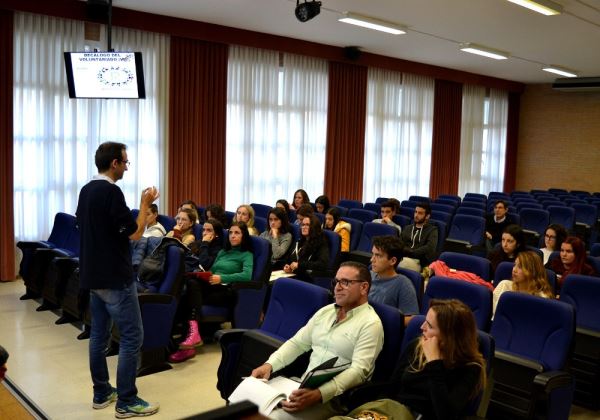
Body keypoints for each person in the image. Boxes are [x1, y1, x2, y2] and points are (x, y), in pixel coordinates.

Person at [76, 141, 160, 417]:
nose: (126, 166)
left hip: (92, 276)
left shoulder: (86, 190)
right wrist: (145, 203)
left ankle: (101, 392)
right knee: (132, 337)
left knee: (98, 336)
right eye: (125, 162)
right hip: (115, 278)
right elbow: (135, 234)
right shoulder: (112, 193)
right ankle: (126, 400)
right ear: (114, 163)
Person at [252, 262, 384, 420]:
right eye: (336, 282)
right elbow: (297, 343)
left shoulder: (371, 324)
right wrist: (270, 364)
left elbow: (358, 372)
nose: (338, 287)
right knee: (247, 406)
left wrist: (319, 394)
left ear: (363, 288)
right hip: (302, 386)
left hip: (333, 399)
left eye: (346, 282)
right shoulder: (326, 312)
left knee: (271, 417)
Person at [336, 299, 486, 420]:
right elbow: (392, 388)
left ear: (450, 336)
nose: (422, 327)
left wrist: (434, 363)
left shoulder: (470, 368)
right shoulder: (417, 346)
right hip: (391, 411)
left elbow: (445, 414)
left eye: (430, 325)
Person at [169, 221, 254, 363]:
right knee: (186, 293)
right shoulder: (223, 252)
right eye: (231, 233)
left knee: (191, 288)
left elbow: (247, 275)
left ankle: (190, 340)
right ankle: (188, 340)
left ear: (244, 236)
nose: (232, 236)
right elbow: (212, 270)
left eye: (237, 233)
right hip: (212, 286)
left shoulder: (246, 255)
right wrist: (205, 275)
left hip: (227, 291)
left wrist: (222, 278)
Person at [369, 236, 419, 318]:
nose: (372, 259)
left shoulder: (403, 284)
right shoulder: (368, 275)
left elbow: (411, 318)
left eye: (378, 255)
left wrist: (388, 321)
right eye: (373, 254)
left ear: (392, 261)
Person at [493, 251, 554, 315]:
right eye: (515, 265)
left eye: (520, 267)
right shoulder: (504, 285)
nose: (514, 270)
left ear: (532, 271)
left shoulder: (542, 298)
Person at [284, 215, 329, 280]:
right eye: (303, 224)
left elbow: (322, 264)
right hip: (295, 274)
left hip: (308, 278)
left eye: (307, 225)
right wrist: (289, 266)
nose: (303, 227)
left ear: (314, 227)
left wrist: (299, 265)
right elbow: (292, 258)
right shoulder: (300, 241)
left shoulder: (321, 243)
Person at [399, 202, 438, 272]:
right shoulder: (407, 228)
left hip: (420, 262)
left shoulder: (432, 230)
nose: (416, 215)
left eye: (420, 213)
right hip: (403, 257)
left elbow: (430, 247)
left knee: (403, 264)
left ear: (427, 216)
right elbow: (399, 242)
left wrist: (412, 252)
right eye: (415, 212)